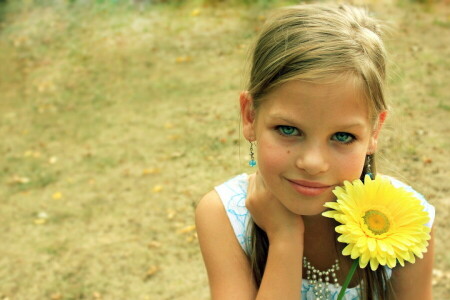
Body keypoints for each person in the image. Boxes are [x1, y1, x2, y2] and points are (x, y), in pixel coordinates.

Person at [195, 3, 435, 300]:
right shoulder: (224, 215)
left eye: (342, 136)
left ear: (374, 132)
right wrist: (285, 238)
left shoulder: (406, 223)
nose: (312, 162)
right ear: (250, 116)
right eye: (287, 129)